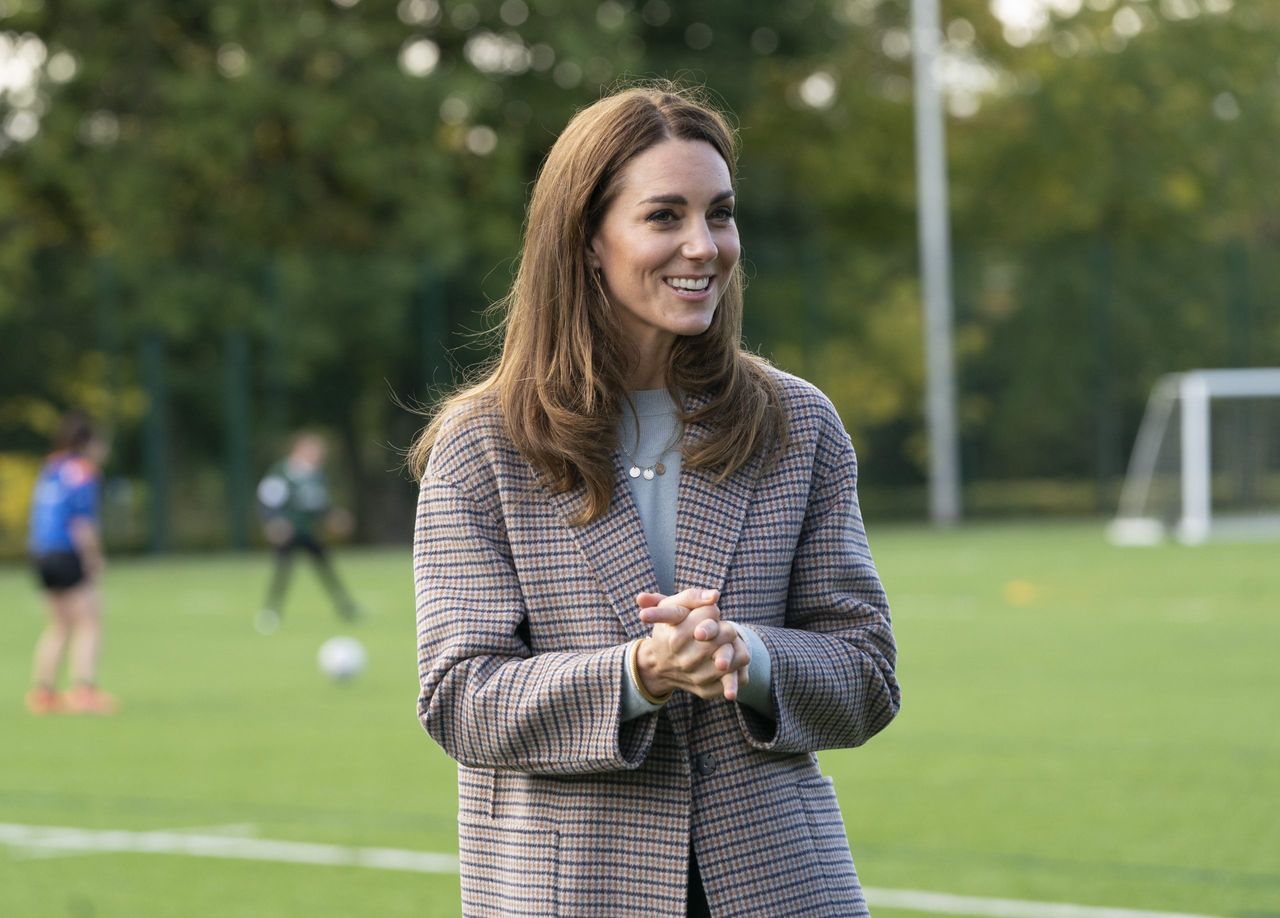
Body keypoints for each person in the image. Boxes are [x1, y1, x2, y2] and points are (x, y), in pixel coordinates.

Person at [410, 83, 900, 917]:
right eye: (665, 216)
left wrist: (749, 658)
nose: (703, 246)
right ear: (587, 240)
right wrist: (640, 673)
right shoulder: (482, 445)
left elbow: (866, 674)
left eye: (721, 213)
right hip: (571, 893)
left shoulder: (798, 423)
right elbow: (460, 698)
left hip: (780, 889)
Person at [26, 410, 117, 715]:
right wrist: (94, 557)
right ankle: (84, 691)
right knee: (89, 621)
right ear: (88, 442)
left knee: (59, 624)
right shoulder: (82, 471)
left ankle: (44, 693)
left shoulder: (51, 466)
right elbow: (81, 521)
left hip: (41, 552)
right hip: (67, 553)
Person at [255, 432, 359, 634]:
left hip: (308, 532)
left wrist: (334, 517)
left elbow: (319, 506)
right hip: (288, 533)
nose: (317, 456)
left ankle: (346, 607)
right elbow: (267, 501)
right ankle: (271, 611)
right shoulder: (282, 473)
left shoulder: (315, 476)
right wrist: (273, 522)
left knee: (326, 568)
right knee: (282, 572)